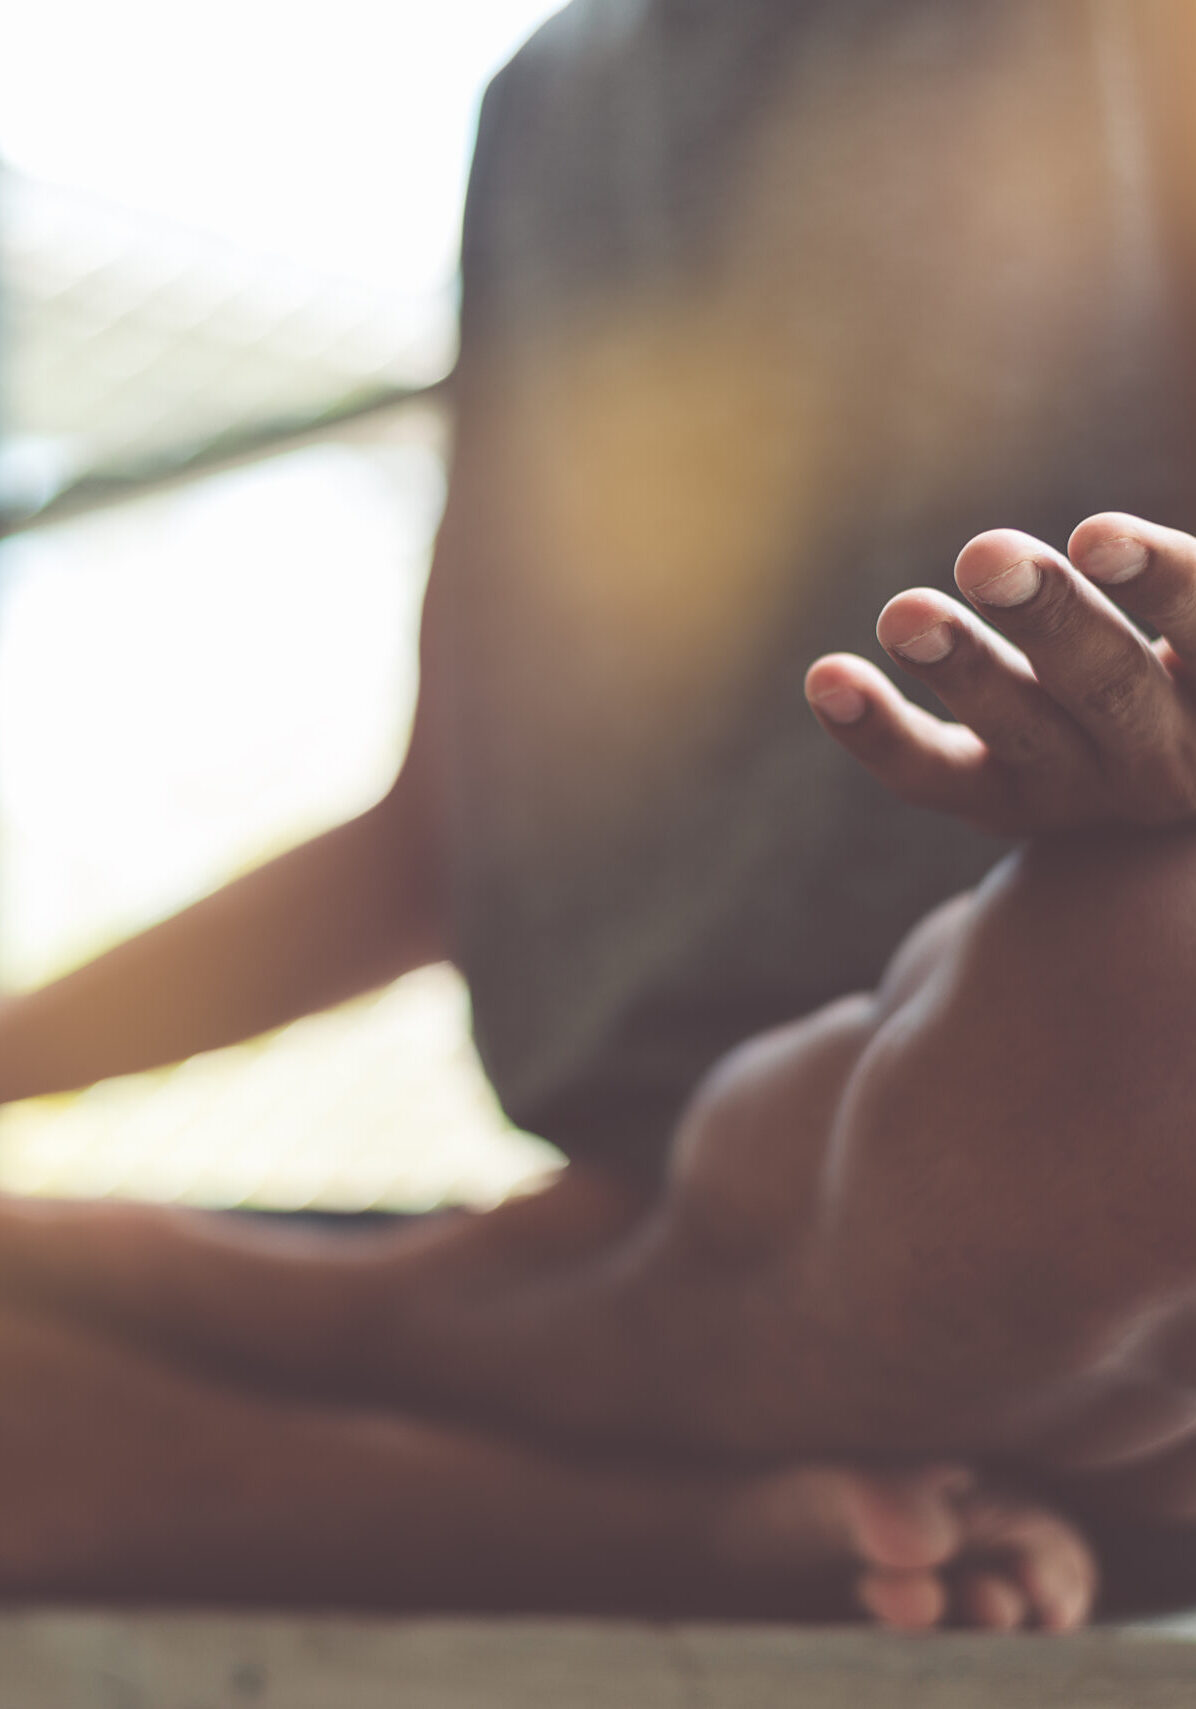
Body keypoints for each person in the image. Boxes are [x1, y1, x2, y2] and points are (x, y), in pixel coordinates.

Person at [2, 0, 1196, 1625]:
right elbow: (435, 842)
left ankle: (450, 1346)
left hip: (985, 1138)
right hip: (638, 1220)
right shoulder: (561, 97)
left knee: (1150, 977)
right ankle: (706, 1511)